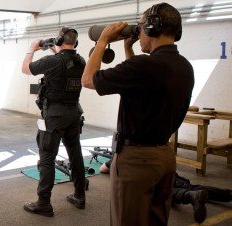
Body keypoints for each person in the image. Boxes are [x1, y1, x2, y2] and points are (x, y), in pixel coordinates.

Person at [81, 2, 194, 225]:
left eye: (141, 27)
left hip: (136, 162)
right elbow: (141, 79)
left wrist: (102, 40)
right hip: (164, 157)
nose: (139, 32)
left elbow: (87, 79)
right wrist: (128, 48)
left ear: (152, 28)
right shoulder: (184, 66)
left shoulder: (144, 66)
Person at [21, 27, 86, 217]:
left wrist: (32, 48)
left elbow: (26, 69)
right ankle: (80, 196)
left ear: (58, 41)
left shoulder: (52, 61)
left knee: (47, 157)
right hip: (74, 112)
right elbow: (64, 62)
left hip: (55, 115)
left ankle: (44, 203)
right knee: (75, 154)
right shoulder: (80, 60)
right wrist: (55, 49)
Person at [100, 159, 231, 223]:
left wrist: (112, 158)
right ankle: (228, 194)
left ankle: (191, 196)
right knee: (193, 187)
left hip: (154, 182)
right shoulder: (156, 146)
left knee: (168, 193)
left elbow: (102, 169)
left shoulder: (124, 157)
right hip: (170, 173)